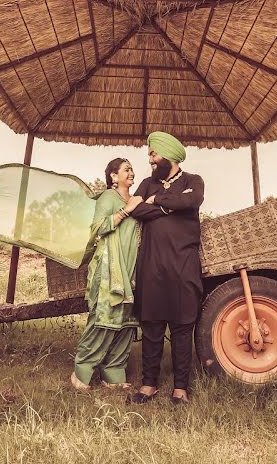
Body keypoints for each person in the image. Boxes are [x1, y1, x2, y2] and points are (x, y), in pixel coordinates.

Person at [128, 131, 204, 405]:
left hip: (184, 267)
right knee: (152, 327)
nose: (149, 159)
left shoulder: (193, 181)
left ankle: (180, 388)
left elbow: (192, 201)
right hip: (152, 268)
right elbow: (134, 209)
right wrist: (168, 206)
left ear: (168, 155)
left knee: (182, 328)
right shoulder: (148, 183)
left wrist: (157, 201)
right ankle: (149, 384)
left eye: (153, 153)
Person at [71, 158, 144, 391]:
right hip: (110, 268)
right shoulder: (107, 198)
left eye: (132, 169)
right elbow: (96, 229)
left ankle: (113, 372)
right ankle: (81, 371)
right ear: (113, 176)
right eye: (126, 169)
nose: (131, 172)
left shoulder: (133, 198)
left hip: (131, 265)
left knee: (125, 320)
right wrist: (126, 211)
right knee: (103, 319)